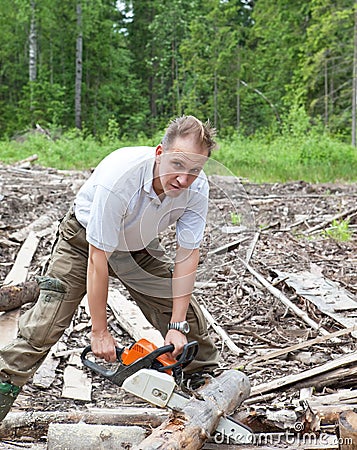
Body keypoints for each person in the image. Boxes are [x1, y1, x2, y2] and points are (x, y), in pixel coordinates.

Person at [0, 115, 220, 421]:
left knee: (185, 316)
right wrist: (99, 331)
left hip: (138, 245)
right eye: (178, 165)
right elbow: (97, 258)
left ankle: (206, 387)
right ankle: (3, 388)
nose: (184, 179)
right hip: (82, 243)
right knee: (43, 327)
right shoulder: (121, 180)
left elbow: (187, 255)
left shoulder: (197, 189)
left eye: (195, 170)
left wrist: (177, 325)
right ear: (160, 153)